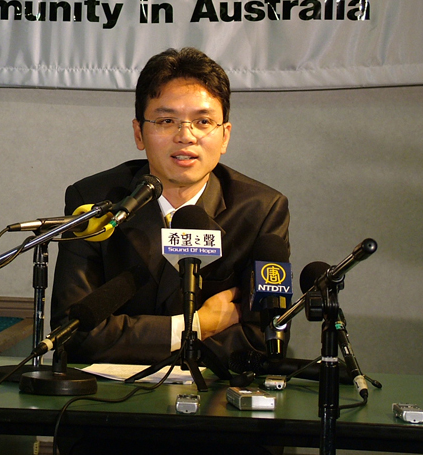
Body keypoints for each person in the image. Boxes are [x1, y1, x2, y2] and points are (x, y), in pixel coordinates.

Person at [50, 47, 290, 374]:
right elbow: (71, 332)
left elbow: (266, 337)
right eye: (166, 121)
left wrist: (137, 340)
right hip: (104, 397)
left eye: (203, 122)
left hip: (215, 397)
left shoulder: (261, 210)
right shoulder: (96, 200)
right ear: (139, 133)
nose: (185, 136)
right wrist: (195, 327)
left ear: (224, 136)